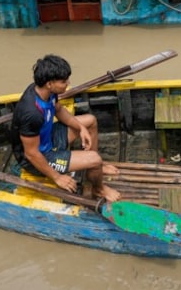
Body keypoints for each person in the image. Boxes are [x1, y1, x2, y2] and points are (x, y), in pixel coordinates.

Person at [10, 54, 120, 202]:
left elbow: (59, 110)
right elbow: (31, 154)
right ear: (49, 84)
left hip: (47, 138)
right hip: (38, 158)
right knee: (95, 159)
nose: (68, 83)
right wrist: (57, 177)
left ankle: (95, 169)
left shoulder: (47, 92)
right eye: (63, 81)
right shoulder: (32, 113)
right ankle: (99, 189)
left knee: (90, 121)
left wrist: (81, 128)